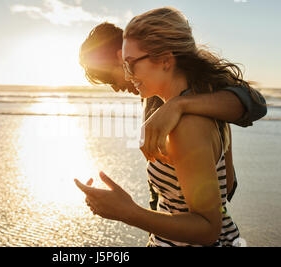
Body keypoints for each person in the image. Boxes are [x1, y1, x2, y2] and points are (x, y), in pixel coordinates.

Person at [75, 6, 257, 246]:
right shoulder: (164, 95)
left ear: (164, 60)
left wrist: (127, 212)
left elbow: (253, 103)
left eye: (128, 64)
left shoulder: (188, 113)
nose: (122, 82)